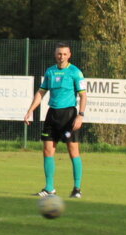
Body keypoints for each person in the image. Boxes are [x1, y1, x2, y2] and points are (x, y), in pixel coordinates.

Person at [24, 43, 87, 201]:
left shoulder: (75, 72)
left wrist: (80, 115)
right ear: (55, 54)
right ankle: (49, 188)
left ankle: (77, 188)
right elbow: (41, 92)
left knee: (73, 151)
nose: (61, 57)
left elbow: (83, 96)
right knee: (47, 150)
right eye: (59, 54)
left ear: (69, 55)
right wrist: (30, 110)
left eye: (64, 54)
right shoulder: (50, 71)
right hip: (52, 114)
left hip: (69, 115)